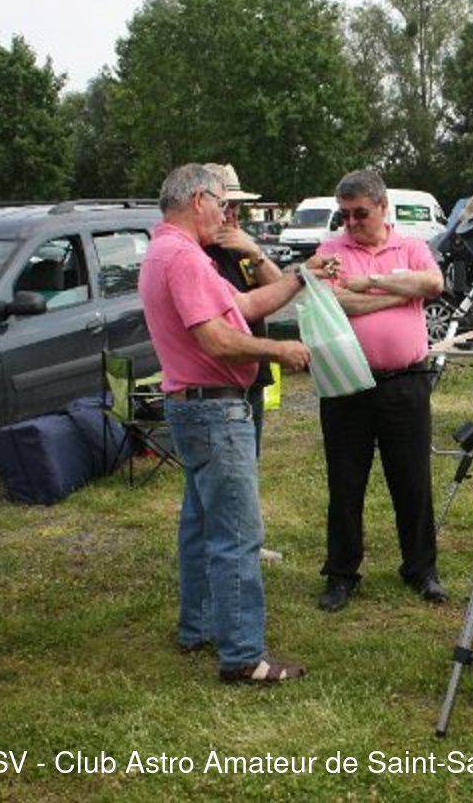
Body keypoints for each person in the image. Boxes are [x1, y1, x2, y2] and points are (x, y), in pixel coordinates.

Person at [139, 163, 335, 684]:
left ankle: (198, 626)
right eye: (222, 203)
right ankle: (244, 656)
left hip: (194, 406)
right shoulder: (183, 257)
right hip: (214, 409)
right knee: (238, 534)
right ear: (198, 200)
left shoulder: (169, 251)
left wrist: (301, 275)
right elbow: (217, 340)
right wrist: (279, 349)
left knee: (200, 524)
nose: (226, 214)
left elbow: (243, 305)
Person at [313, 169, 448, 612]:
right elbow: (332, 300)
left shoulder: (411, 246)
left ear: (383, 207)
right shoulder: (331, 251)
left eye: (360, 214)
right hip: (346, 385)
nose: (351, 223)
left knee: (412, 480)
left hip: (405, 382)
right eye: (345, 215)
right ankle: (341, 573)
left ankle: (421, 569)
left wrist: (368, 282)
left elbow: (433, 284)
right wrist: (399, 291)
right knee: (345, 481)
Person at [202, 163, 281, 453]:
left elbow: (278, 289)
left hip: (252, 376)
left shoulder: (241, 246)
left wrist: (255, 252)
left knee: (249, 461)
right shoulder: (197, 251)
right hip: (219, 381)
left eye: (238, 206)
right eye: (227, 205)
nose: (233, 214)